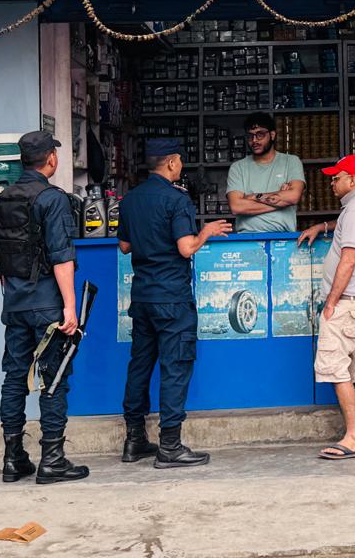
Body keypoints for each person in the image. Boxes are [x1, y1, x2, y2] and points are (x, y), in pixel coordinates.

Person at [119, 138, 232, 468]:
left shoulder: (130, 199)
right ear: (170, 163)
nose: (181, 165)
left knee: (140, 365)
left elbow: (124, 246)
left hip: (142, 297)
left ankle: (134, 440)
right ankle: (169, 445)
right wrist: (206, 232)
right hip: (171, 298)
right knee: (175, 367)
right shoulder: (176, 199)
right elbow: (186, 248)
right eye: (180, 160)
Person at [0, 130, 87, 484]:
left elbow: (1, 261)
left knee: (15, 377)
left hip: (15, 304)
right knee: (53, 378)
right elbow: (62, 258)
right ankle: (53, 459)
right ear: (51, 158)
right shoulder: (52, 199)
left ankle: (13, 458)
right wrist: (70, 307)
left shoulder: (3, 199)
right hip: (47, 305)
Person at [298, 155, 355, 460]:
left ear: (353, 179)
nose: (332, 182)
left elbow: (348, 260)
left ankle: (352, 436)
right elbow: (348, 228)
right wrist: (323, 225)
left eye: (336, 177)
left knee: (335, 369)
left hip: (347, 304)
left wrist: (331, 302)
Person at [226, 113, 306, 234]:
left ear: (272, 135)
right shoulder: (238, 167)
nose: (254, 140)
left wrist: (254, 197)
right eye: (250, 136)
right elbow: (236, 207)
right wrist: (282, 201)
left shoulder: (291, 162)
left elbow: (293, 197)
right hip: (247, 237)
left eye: (260, 135)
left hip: (284, 237)